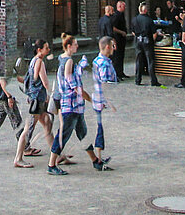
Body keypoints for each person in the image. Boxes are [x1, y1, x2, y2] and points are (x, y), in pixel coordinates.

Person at [48, 34, 99, 175]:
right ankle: (51, 165)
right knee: (63, 135)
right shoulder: (68, 61)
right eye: (75, 44)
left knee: (83, 133)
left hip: (75, 106)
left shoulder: (62, 59)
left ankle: (95, 161)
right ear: (69, 46)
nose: (77, 46)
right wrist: (91, 99)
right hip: (70, 106)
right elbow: (74, 86)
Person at [15, 39, 54, 169]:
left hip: (37, 99)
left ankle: (57, 155)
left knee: (47, 125)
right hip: (37, 100)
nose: (48, 50)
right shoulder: (39, 62)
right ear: (39, 50)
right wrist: (49, 94)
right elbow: (45, 81)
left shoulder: (32, 61)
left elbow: (28, 79)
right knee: (28, 129)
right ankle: (18, 158)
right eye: (46, 48)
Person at [87, 35, 118, 171]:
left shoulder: (97, 60)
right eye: (112, 46)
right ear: (107, 47)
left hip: (97, 98)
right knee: (99, 129)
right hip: (101, 100)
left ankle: (99, 156)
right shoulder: (104, 64)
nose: (113, 48)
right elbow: (105, 84)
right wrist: (110, 102)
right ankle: (98, 159)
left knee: (100, 128)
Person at [131, 2, 162, 86]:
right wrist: (153, 41)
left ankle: (137, 79)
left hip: (138, 41)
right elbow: (154, 33)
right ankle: (153, 80)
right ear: (145, 10)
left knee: (138, 61)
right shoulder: (149, 20)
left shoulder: (135, 19)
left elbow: (133, 32)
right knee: (150, 61)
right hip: (148, 42)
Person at [112, 1, 129, 80]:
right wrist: (122, 32)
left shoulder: (121, 15)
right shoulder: (116, 16)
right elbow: (113, 28)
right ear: (120, 6)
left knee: (121, 56)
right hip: (118, 39)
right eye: (124, 6)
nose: (125, 8)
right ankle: (117, 74)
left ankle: (121, 72)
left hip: (122, 39)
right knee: (117, 57)